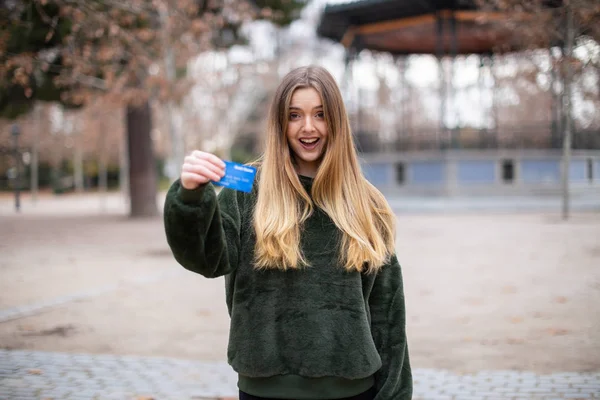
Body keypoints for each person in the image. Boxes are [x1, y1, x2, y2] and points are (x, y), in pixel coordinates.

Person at [163, 65, 412, 400]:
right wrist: (191, 197)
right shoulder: (245, 189)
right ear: (280, 123)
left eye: (320, 114)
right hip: (264, 389)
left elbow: (388, 316)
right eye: (295, 115)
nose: (308, 127)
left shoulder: (367, 203)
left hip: (352, 391)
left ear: (336, 121)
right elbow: (207, 259)